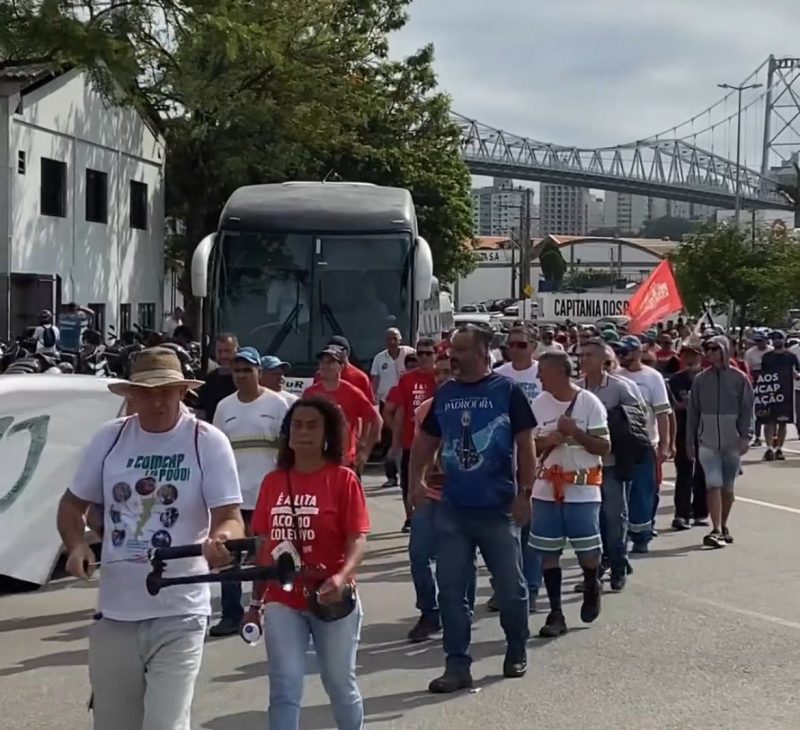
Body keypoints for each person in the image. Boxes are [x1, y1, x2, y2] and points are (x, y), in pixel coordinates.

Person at [55, 347, 245, 730]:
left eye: (166, 391)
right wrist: (76, 545)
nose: (157, 401)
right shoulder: (109, 439)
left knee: (165, 724)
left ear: (182, 392)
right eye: (146, 392)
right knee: (114, 724)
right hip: (116, 611)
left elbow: (230, 517)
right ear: (131, 395)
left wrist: (220, 540)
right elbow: (71, 506)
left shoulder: (206, 441)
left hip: (181, 609)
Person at [410, 325, 536, 692]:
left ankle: (516, 647)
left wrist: (525, 493)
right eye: (453, 349)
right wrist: (416, 479)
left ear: (483, 354)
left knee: (511, 588)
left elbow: (525, 445)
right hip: (453, 510)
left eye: (462, 350)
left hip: (497, 509)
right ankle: (457, 664)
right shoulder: (445, 394)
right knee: (451, 590)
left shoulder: (507, 391)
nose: (453, 355)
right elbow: (427, 441)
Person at [247, 397, 370, 730]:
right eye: (296, 425)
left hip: (332, 599)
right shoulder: (273, 483)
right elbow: (263, 546)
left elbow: (357, 538)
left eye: (311, 425)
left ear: (327, 433)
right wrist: (255, 602)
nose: (303, 432)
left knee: (339, 684)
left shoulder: (343, 480)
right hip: (282, 600)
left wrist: (343, 577)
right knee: (285, 686)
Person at [209, 346, 290, 637]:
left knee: (266, 555)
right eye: (237, 370)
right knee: (229, 556)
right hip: (234, 496)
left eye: (247, 370)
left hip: (267, 494)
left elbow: (286, 447)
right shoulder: (224, 407)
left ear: (259, 372)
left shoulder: (278, 404)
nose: (242, 375)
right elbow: (216, 451)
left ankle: (266, 607)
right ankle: (230, 613)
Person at [529, 351, 609, 637]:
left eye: (543, 372)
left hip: (582, 491)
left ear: (561, 373)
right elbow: (527, 447)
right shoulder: (538, 404)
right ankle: (555, 613)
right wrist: (544, 441)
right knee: (548, 554)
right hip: (546, 490)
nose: (538, 377)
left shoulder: (589, 403)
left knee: (587, 552)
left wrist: (575, 432)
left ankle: (592, 583)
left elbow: (603, 447)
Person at [406, 354, 477, 642]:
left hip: (464, 496)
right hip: (432, 494)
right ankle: (429, 613)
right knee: (419, 555)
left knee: (464, 558)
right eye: (439, 373)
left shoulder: (474, 408)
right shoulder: (426, 409)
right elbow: (418, 452)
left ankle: (464, 612)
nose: (443, 377)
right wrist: (414, 486)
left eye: (449, 372)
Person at [577, 339, 644, 591]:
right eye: (581, 355)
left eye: (589, 355)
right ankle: (594, 570)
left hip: (614, 462)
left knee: (614, 516)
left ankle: (618, 564)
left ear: (605, 360)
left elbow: (638, 423)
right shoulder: (577, 389)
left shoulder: (620, 388)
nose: (584, 360)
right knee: (590, 519)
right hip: (585, 464)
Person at [490, 324, 543, 611]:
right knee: (503, 536)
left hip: (539, 458)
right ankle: (504, 587)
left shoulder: (542, 374)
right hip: (503, 462)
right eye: (511, 344)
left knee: (529, 533)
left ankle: (530, 590)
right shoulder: (499, 376)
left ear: (533, 346)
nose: (515, 349)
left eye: (522, 344)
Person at [686, 336, 753, 548]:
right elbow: (693, 413)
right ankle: (715, 529)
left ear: (725, 350)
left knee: (728, 489)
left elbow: (747, 410)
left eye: (715, 348)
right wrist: (690, 442)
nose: (711, 352)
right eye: (708, 349)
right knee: (712, 484)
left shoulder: (739, 378)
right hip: (707, 442)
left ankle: (724, 525)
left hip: (732, 442)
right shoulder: (700, 380)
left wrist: (746, 436)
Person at [617, 336, 672, 554]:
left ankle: (642, 535)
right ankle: (622, 533)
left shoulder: (653, 377)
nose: (622, 357)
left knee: (643, 491)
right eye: (619, 352)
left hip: (645, 442)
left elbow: (662, 413)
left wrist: (665, 444)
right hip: (620, 444)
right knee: (620, 493)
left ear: (638, 353)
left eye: (626, 352)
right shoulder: (615, 377)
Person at [303, 345, 382, 475]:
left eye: (330, 362)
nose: (325, 365)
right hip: (317, 459)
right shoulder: (310, 393)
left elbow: (377, 420)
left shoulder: (352, 393)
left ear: (341, 367)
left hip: (344, 461)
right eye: (322, 361)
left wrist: (365, 452)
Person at [389, 338, 438, 532]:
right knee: (409, 482)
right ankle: (411, 518)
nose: (424, 357)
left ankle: (430, 519)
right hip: (411, 441)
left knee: (434, 483)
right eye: (420, 353)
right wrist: (395, 441)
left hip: (437, 444)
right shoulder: (407, 379)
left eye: (428, 353)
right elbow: (399, 411)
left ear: (435, 355)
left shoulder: (442, 376)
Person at [668, 344, 708, 530]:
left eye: (694, 355)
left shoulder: (708, 378)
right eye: (687, 356)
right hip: (683, 431)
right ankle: (681, 514)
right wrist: (683, 406)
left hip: (705, 431)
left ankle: (700, 512)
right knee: (684, 473)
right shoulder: (675, 381)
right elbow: (670, 406)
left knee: (703, 472)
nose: (690, 359)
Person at [371, 328, 415, 487]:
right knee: (388, 441)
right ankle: (391, 476)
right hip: (387, 404)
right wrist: (373, 400)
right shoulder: (379, 358)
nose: (392, 342)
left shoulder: (410, 353)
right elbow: (375, 380)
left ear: (401, 339)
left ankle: (409, 475)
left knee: (408, 440)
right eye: (389, 338)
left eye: (395, 338)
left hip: (408, 402)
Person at [760, 331, 800, 461]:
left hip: (787, 393)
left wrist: (796, 375)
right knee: (769, 421)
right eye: (774, 339)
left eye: (779, 338)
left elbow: (798, 372)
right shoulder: (766, 357)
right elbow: (763, 375)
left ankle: (779, 449)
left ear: (784, 340)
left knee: (783, 423)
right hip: (771, 392)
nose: (777, 341)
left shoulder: (791, 356)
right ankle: (769, 448)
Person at [196, 333, 238, 422]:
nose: (223, 356)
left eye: (227, 351)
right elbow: (201, 410)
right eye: (220, 351)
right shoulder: (210, 380)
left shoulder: (243, 379)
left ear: (237, 351)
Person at [744, 332, 772, 446]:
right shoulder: (750, 353)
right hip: (755, 381)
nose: (758, 343)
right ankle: (757, 436)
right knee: (757, 409)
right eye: (757, 341)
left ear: (766, 340)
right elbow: (747, 368)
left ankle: (771, 434)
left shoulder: (771, 350)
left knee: (770, 409)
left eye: (760, 341)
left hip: (770, 381)